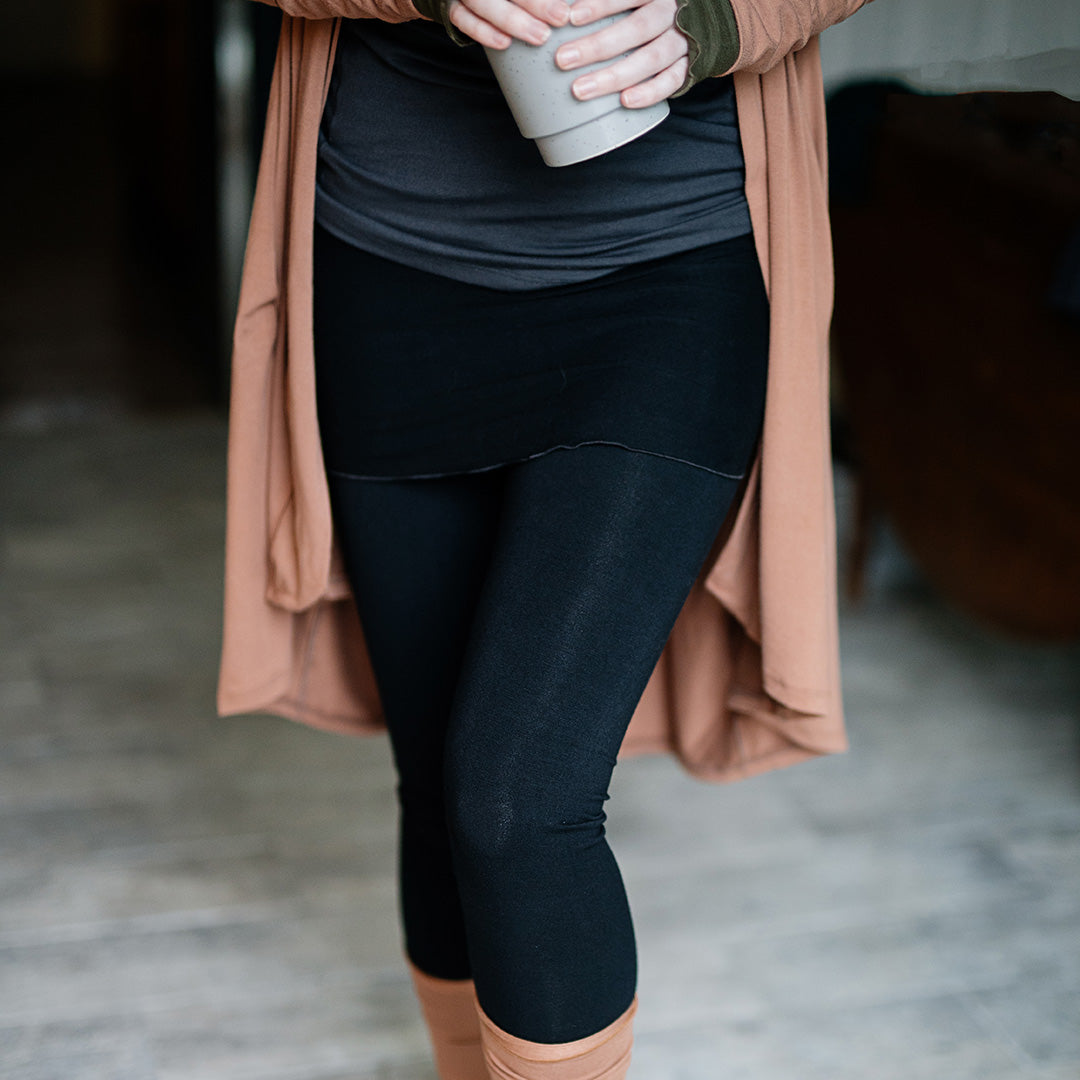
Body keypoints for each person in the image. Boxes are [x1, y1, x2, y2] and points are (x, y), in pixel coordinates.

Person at [219, 1, 873, 1076]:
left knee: (513, 801)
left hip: (672, 264)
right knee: (437, 789)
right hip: (390, 266)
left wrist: (717, 20)